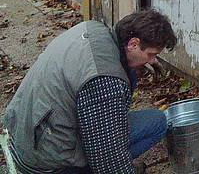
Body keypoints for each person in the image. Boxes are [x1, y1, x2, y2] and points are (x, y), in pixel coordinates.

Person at [3, 9, 177, 174]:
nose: (153, 60)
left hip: (25, 138)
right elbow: (108, 159)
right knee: (157, 122)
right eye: (151, 54)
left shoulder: (93, 29)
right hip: (46, 163)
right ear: (133, 44)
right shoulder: (105, 80)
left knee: (128, 77)